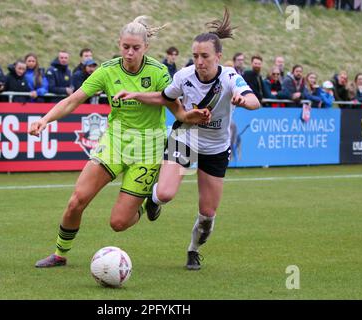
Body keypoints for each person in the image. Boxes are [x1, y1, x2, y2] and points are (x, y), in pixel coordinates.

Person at [29, 16, 210, 268]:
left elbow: (177, 111)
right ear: (119, 44)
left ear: (145, 47)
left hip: (148, 149)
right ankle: (60, 254)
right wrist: (45, 119)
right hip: (114, 143)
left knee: (118, 224)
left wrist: (192, 116)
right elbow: (73, 100)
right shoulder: (107, 70)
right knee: (76, 201)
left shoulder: (158, 72)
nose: (129, 52)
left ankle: (150, 202)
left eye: (135, 48)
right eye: (125, 47)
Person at [114, 8, 260, 270]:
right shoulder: (184, 76)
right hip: (186, 136)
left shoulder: (230, 78)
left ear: (218, 56)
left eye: (204, 56)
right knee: (167, 193)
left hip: (216, 147)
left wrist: (242, 100)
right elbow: (165, 98)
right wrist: (135, 95)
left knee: (207, 215)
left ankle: (193, 250)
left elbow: (254, 100)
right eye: (195, 56)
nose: (199, 61)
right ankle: (154, 200)